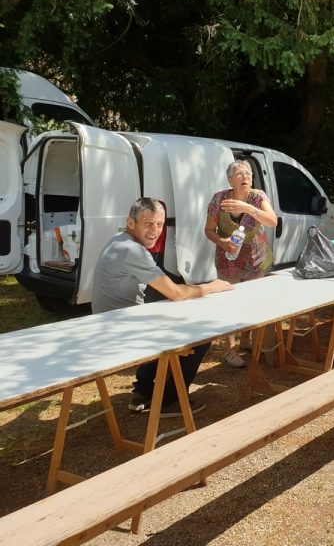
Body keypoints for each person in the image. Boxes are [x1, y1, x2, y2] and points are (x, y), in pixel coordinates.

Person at [92, 198, 233, 416]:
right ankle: (169, 402)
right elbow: (175, 293)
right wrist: (211, 286)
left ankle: (143, 391)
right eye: (148, 223)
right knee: (200, 337)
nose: (155, 230)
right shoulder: (133, 251)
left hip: (109, 322)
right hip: (119, 331)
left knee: (175, 320)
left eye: (159, 224)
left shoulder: (117, 240)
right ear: (131, 222)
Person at [204, 159, 278, 368]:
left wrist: (248, 208)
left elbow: (272, 221)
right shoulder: (219, 199)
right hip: (229, 261)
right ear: (230, 180)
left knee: (251, 301)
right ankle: (230, 350)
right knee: (229, 305)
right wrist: (221, 241)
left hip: (256, 259)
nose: (245, 176)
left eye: (248, 173)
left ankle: (247, 340)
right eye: (239, 173)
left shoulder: (257, 197)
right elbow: (208, 230)